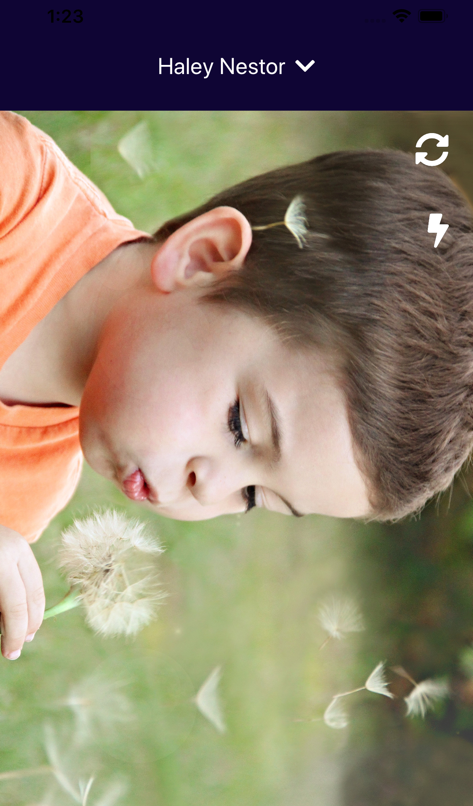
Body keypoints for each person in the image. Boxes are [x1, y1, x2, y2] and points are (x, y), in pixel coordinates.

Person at [1, 110, 473, 660]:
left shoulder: (25, 496)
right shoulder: (15, 195)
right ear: (202, 258)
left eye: (251, 497)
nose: (207, 490)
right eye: (239, 426)